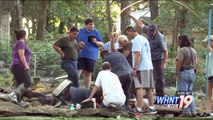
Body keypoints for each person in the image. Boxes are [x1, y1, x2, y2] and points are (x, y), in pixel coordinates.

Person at [126, 11, 168, 96]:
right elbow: (139, 24)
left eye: (153, 31)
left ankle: (160, 95)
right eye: (150, 31)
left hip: (158, 59)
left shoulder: (160, 38)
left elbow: (165, 51)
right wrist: (132, 16)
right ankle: (149, 92)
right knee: (150, 77)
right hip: (149, 59)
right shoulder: (148, 31)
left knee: (159, 77)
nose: (151, 33)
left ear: (156, 30)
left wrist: (164, 63)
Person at [124, 26, 156, 114]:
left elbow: (138, 54)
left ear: (132, 31)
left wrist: (135, 68)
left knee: (139, 87)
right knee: (149, 88)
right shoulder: (144, 39)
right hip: (149, 66)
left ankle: (139, 108)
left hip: (141, 68)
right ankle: (152, 107)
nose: (128, 36)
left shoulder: (137, 40)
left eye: (128, 34)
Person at [10, 29, 44, 104]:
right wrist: (26, 65)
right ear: (24, 35)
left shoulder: (17, 43)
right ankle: (14, 94)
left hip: (15, 66)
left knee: (19, 84)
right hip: (21, 66)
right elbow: (21, 54)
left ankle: (18, 101)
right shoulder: (21, 43)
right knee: (27, 82)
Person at [173, 35, 197, 117]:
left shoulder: (182, 50)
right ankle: (193, 111)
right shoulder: (193, 50)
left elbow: (179, 62)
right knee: (189, 93)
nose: (178, 42)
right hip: (192, 72)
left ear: (182, 41)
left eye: (178, 40)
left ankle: (186, 112)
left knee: (182, 92)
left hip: (184, 72)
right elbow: (196, 63)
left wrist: (176, 73)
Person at [77, 17, 104, 88]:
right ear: (86, 25)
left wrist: (96, 42)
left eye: (93, 24)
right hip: (81, 55)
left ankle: (86, 89)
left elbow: (102, 44)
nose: (92, 26)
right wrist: (79, 44)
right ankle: (74, 87)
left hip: (91, 56)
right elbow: (74, 41)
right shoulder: (80, 31)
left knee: (88, 73)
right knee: (78, 71)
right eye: (90, 24)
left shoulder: (96, 32)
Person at [200, 35, 213, 117]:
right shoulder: (208, 52)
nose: (206, 44)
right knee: (208, 94)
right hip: (209, 74)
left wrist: (211, 50)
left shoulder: (211, 50)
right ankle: (208, 111)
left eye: (208, 42)